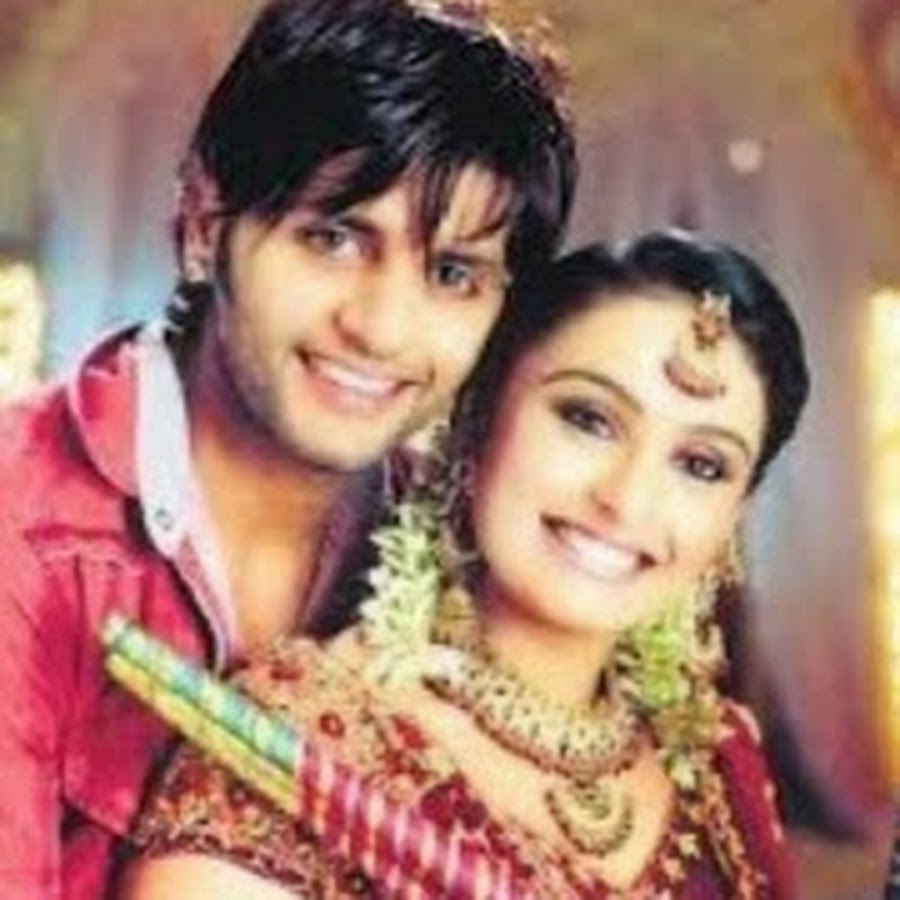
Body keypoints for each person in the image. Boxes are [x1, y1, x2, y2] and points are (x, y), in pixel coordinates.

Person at [0, 0, 576, 896]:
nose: (382, 329)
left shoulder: (460, 552)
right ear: (206, 224)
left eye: (452, 273)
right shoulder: (23, 533)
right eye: (334, 238)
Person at [120, 230, 810, 898]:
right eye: (589, 419)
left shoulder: (718, 764)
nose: (627, 500)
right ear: (478, 419)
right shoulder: (306, 743)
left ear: (733, 519)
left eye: (701, 465)